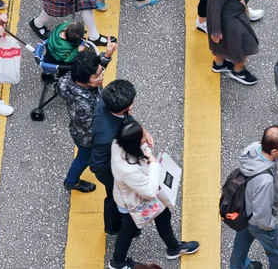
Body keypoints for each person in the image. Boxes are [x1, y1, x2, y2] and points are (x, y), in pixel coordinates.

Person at [109, 121, 199, 268]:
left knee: (163, 215)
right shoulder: (128, 170)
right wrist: (153, 162)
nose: (146, 134)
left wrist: (144, 143)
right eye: (143, 135)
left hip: (136, 196)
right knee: (128, 231)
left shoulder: (118, 143)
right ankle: (117, 262)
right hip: (134, 203)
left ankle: (173, 247)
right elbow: (150, 191)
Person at [229, 125, 278, 269]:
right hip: (258, 223)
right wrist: (271, 226)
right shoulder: (265, 181)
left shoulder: (254, 149)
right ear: (274, 151)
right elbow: (262, 214)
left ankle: (237, 266)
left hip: (244, 210)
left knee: (242, 243)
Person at [57, 49, 116, 193]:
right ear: (83, 81)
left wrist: (106, 56)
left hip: (83, 130)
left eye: (101, 72)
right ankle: (71, 181)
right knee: (84, 158)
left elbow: (94, 68)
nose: (101, 77)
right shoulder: (81, 105)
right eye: (97, 76)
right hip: (87, 138)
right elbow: (93, 127)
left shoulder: (77, 76)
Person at [90, 80, 138, 235]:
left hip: (107, 162)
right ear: (126, 107)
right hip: (106, 168)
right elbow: (97, 165)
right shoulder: (109, 135)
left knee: (113, 195)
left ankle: (113, 226)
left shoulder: (103, 104)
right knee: (114, 195)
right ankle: (113, 226)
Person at [207, 0, 260, 85]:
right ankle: (238, 71)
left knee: (220, 44)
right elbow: (215, 9)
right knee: (243, 45)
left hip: (228, 16)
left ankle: (219, 64)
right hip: (231, 19)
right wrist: (216, 31)